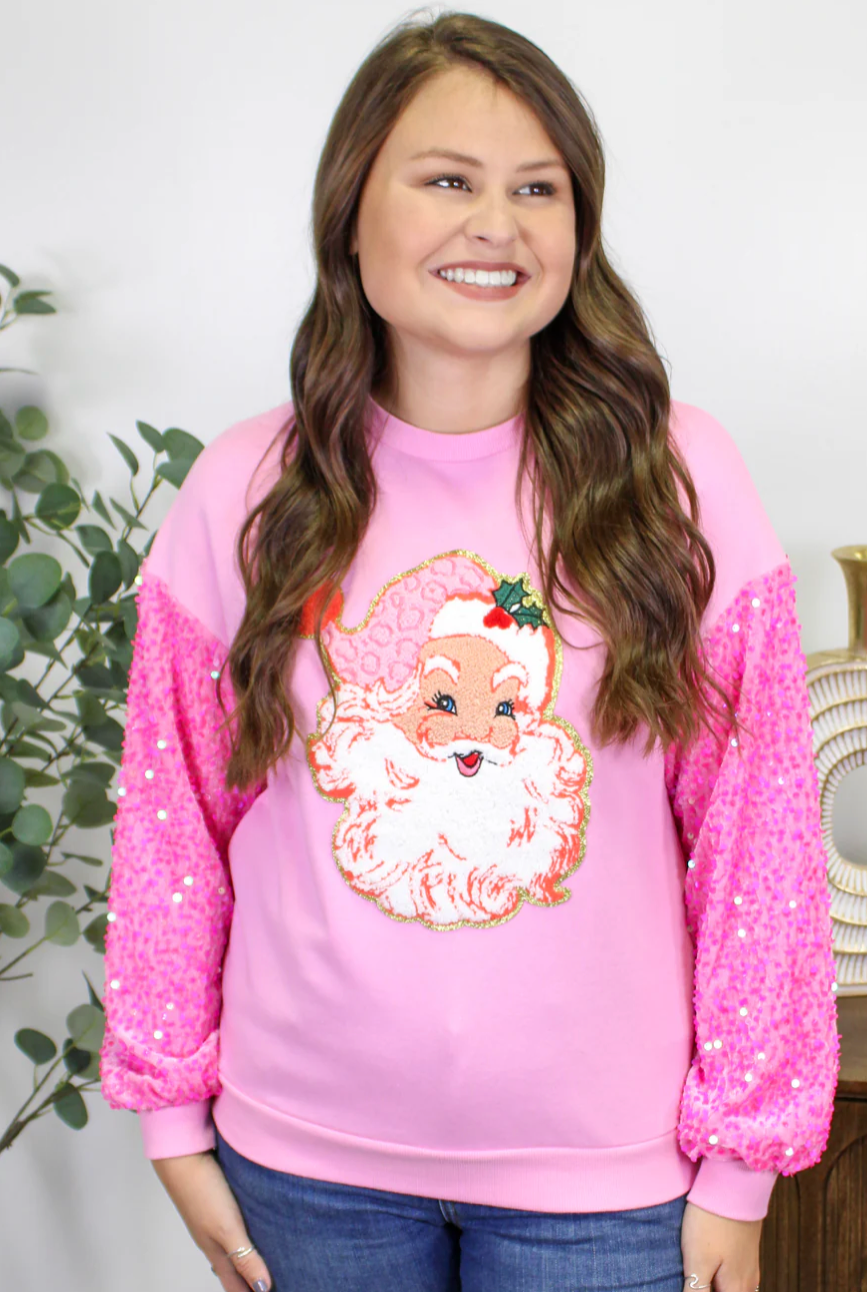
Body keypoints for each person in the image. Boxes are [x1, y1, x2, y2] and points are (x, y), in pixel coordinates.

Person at [99, 10, 840, 1292]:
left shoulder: (678, 481)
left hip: (610, 1184)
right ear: (351, 211)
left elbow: (756, 836)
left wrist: (742, 1166)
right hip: (305, 1166)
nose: (496, 223)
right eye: (448, 179)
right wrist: (171, 1119)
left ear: (579, 230)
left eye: (538, 189)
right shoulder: (246, 491)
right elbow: (175, 819)